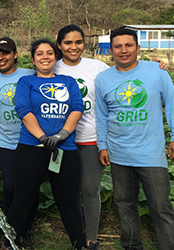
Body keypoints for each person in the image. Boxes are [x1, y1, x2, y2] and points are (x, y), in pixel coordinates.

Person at [95, 28, 174, 250]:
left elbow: (172, 105)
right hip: (119, 154)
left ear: (138, 47)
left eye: (128, 45)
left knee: (160, 206)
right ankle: (132, 246)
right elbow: (102, 116)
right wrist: (102, 146)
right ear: (111, 50)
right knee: (124, 205)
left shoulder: (157, 72)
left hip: (151, 154)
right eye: (118, 46)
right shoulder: (103, 79)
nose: (123, 51)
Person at [9, 39, 86, 249]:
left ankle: (79, 244)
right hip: (31, 148)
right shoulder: (26, 83)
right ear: (33, 59)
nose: (45, 57)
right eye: (40, 54)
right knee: (23, 199)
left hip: (65, 148)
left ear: (56, 56)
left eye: (49, 53)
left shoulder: (68, 82)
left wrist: (61, 135)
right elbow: (24, 111)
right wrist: (43, 138)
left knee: (69, 201)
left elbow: (77, 108)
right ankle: (11, 243)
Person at [53, 24, 109, 250]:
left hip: (90, 138)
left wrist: (153, 66)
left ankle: (91, 237)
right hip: (63, 140)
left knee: (89, 188)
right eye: (67, 43)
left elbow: (124, 73)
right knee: (70, 189)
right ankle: (77, 233)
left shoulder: (97, 67)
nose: (73, 47)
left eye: (78, 42)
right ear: (59, 45)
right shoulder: (53, 67)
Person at [0, 37, 37, 248]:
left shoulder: (29, 75)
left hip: (31, 140)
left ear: (15, 54)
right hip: (6, 141)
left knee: (30, 188)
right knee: (9, 187)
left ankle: (25, 230)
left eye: (6, 53)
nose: (1, 57)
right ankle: (11, 229)